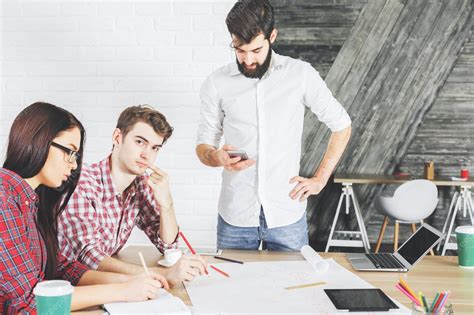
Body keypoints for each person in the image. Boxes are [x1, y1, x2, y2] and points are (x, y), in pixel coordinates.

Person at [196, 0, 352, 251]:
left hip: (286, 214)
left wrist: (320, 179)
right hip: (235, 214)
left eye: (256, 50)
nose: (247, 59)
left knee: (292, 288)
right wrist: (216, 157)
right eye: (239, 50)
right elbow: (203, 146)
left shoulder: (300, 75)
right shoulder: (216, 83)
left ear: (273, 36)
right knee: (233, 289)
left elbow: (342, 125)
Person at [0, 102, 168, 314]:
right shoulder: (3, 198)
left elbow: (61, 268)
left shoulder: (32, 201)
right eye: (70, 152)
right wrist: (123, 290)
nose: (73, 165)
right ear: (39, 140)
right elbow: (31, 302)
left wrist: (128, 279)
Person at [58, 105, 207, 286]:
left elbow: (168, 246)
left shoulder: (141, 185)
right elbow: (88, 256)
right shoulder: (84, 183)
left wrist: (166, 204)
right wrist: (161, 274)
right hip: (66, 287)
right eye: (140, 142)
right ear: (117, 137)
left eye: (155, 148)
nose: (147, 155)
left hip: (104, 283)